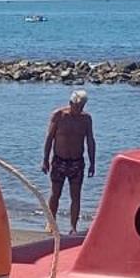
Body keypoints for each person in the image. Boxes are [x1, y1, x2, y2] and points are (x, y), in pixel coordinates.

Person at [42, 90, 97, 232]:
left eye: (83, 106)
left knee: (76, 195)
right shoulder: (58, 116)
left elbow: (90, 140)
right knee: (55, 194)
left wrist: (92, 162)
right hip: (59, 161)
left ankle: (73, 226)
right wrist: (45, 160)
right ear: (71, 103)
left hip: (77, 162)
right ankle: (51, 223)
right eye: (78, 106)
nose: (80, 109)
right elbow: (49, 138)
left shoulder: (86, 119)